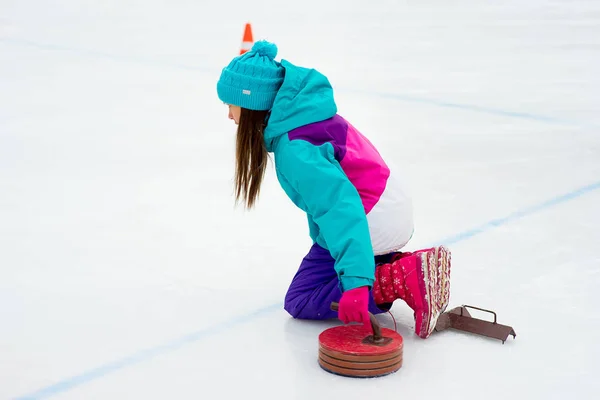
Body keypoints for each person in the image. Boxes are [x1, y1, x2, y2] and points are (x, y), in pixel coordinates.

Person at [216, 40, 451, 339]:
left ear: (252, 104)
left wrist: (356, 284)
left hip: (369, 214)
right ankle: (403, 266)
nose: (229, 116)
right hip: (384, 202)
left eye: (230, 105)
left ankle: (396, 279)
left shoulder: (295, 149)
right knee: (321, 279)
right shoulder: (304, 115)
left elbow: (340, 207)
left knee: (302, 298)